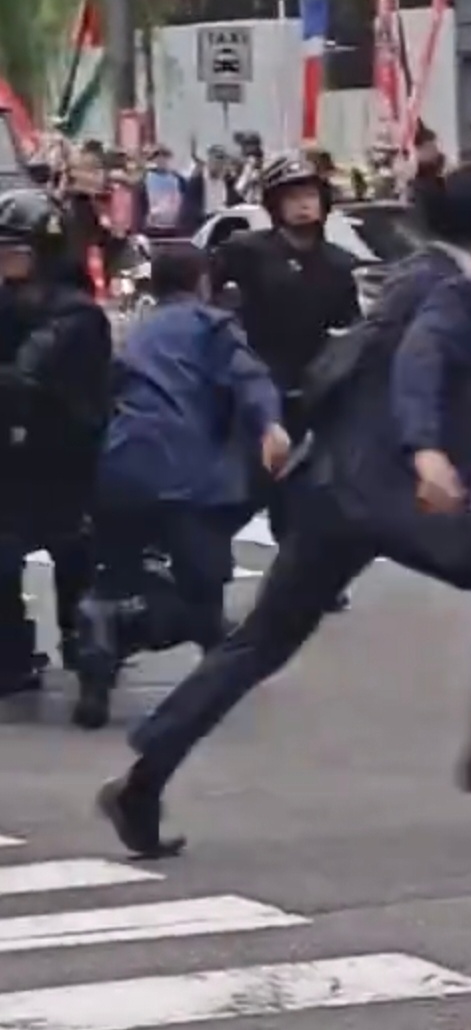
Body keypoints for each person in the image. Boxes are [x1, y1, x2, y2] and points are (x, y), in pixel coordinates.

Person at [97, 160, 471, 861]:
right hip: (383, 487)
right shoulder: (451, 290)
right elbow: (417, 368)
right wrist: (425, 451)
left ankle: (142, 781)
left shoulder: (415, 275)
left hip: (329, 487)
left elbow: (413, 374)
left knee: (260, 643)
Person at [72, 243, 288, 730]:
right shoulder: (212, 325)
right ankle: (186, 648)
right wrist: (271, 425)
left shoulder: (139, 332)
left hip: (121, 467)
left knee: (119, 572)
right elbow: (250, 379)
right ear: (202, 282)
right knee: (203, 585)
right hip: (185, 470)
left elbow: (111, 390)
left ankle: (101, 638)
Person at [212, 153, 360, 549]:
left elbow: (350, 328)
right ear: (275, 205)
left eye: (310, 194)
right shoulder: (246, 252)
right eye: (291, 196)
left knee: (306, 489)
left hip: (311, 388)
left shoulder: (339, 264)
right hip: (253, 385)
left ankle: (300, 572)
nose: (302, 204)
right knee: (247, 485)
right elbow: (204, 299)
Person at [0, 187, 113, 695]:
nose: (5, 263)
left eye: (15, 251)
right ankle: (12, 656)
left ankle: (84, 640)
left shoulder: (76, 314)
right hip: (10, 454)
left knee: (76, 552)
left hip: (65, 450)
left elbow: (31, 373)